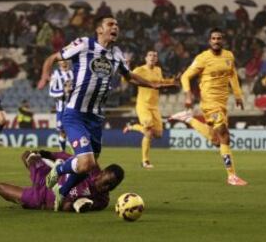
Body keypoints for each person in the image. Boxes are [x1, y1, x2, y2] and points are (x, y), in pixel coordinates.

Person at [37, 15, 177, 211]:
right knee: (86, 162)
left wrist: (154, 84)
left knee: (90, 165)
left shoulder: (116, 54)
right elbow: (53, 57)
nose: (116, 27)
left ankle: (63, 191)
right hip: (75, 113)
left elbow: (130, 77)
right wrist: (45, 75)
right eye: (111, 24)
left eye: (117, 25)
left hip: (95, 118)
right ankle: (58, 169)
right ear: (99, 30)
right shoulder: (85, 44)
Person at [169, 28, 248, 186]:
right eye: (213, 38)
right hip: (209, 102)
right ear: (209, 41)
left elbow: (232, 74)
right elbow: (185, 76)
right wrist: (188, 95)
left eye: (219, 38)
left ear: (223, 40)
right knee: (225, 135)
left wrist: (238, 95)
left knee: (216, 141)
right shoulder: (203, 58)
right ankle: (232, 176)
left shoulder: (229, 56)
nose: (216, 41)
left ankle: (189, 119)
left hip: (222, 102)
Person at [0, 150, 124, 212]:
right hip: (48, 177)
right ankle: (34, 173)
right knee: (28, 155)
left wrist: (74, 206)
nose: (108, 187)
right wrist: (48, 154)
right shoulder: (90, 166)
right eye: (107, 182)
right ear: (102, 174)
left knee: (0, 187)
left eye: (112, 186)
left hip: (42, 197)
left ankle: (22, 200)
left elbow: (68, 207)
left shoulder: (102, 201)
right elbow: (68, 157)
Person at [123, 50, 174, 168]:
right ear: (146, 58)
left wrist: (172, 82)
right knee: (149, 132)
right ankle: (145, 161)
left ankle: (132, 126)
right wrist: (127, 67)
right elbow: (127, 78)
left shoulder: (158, 70)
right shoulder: (140, 70)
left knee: (158, 134)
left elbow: (160, 83)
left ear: (157, 59)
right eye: (150, 55)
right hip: (143, 105)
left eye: (155, 55)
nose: (152, 57)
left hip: (154, 106)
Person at [49, 60, 73, 151]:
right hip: (61, 108)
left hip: (73, 107)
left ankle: (76, 151)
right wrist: (63, 91)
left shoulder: (72, 73)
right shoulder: (55, 74)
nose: (64, 62)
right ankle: (62, 152)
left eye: (66, 60)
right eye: (62, 60)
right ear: (59, 63)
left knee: (73, 129)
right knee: (63, 131)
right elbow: (51, 92)